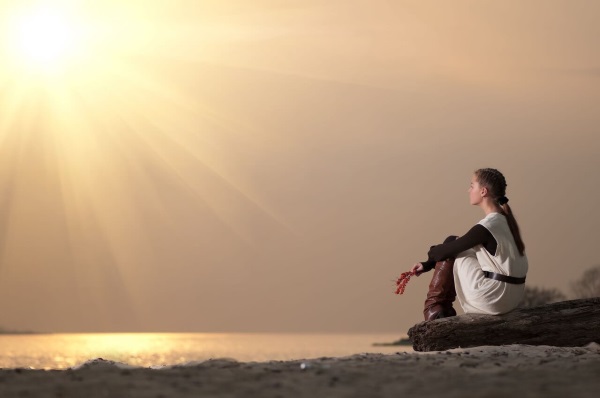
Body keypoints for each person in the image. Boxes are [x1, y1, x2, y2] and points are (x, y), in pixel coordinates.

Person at [410, 168, 528, 321]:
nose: (468, 190)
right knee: (456, 243)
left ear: (483, 191)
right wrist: (427, 264)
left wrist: (432, 253)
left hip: (493, 298)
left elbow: (444, 252)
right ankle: (440, 309)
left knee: (452, 242)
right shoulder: (505, 221)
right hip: (512, 298)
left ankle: (435, 308)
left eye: (472, 186)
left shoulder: (487, 227)